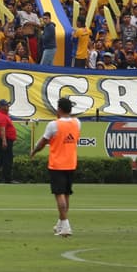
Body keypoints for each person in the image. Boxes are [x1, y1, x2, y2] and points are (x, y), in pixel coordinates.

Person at [30, 96, 80, 237]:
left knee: (59, 194)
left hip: (57, 164)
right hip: (71, 163)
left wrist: (33, 151)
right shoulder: (77, 123)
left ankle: (65, 225)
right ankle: (60, 223)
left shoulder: (54, 125)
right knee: (66, 193)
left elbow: (42, 143)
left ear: (58, 109)